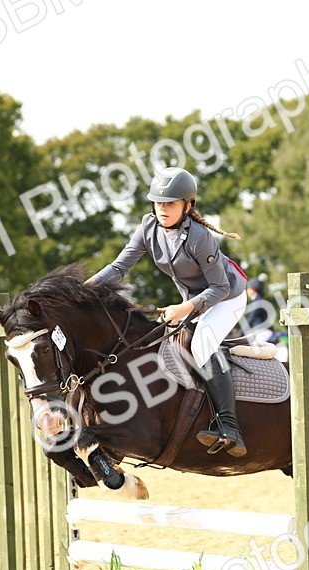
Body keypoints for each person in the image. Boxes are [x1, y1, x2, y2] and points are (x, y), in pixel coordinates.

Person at [87, 167, 249, 457]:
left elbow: (219, 287)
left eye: (170, 203)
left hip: (226, 297)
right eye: (159, 202)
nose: (163, 209)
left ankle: (229, 427)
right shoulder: (147, 228)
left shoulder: (200, 237)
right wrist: (83, 288)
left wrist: (184, 307)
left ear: (187, 206)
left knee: (200, 346)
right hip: (194, 299)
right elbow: (118, 268)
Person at [244, 277, 280, 344]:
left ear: (254, 289)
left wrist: (241, 333)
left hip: (262, 331)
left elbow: (251, 318)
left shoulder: (258, 301)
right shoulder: (259, 300)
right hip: (262, 331)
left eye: (248, 288)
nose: (247, 291)